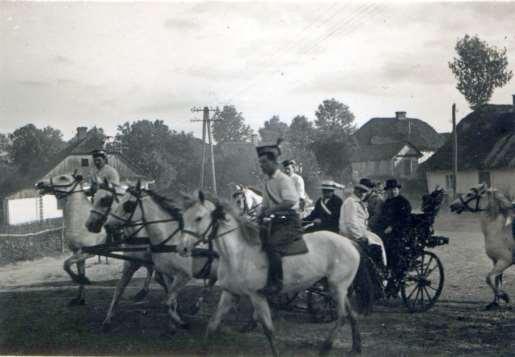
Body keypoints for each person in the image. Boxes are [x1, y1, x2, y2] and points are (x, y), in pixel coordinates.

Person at [257, 144, 300, 296]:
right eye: (260, 163)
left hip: (289, 223)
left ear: (274, 162)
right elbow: (265, 205)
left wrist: (271, 211)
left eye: (264, 162)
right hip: (275, 222)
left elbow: (290, 201)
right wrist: (259, 214)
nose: (261, 166)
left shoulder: (283, 180)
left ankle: (277, 283)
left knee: (273, 246)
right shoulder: (268, 182)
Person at [339, 178, 387, 266]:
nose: (362, 194)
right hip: (351, 235)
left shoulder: (358, 202)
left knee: (378, 240)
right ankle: (377, 270)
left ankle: (380, 270)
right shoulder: (351, 202)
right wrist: (360, 237)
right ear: (355, 190)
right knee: (377, 246)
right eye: (360, 191)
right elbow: (350, 224)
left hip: (360, 232)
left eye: (364, 192)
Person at [376, 178, 412, 282]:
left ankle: (398, 275)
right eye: (390, 190)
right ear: (387, 191)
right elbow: (382, 218)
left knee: (394, 250)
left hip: (400, 233)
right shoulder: (387, 202)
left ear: (398, 190)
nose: (392, 191)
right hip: (386, 232)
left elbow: (405, 219)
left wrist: (393, 227)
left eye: (395, 189)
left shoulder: (403, 202)